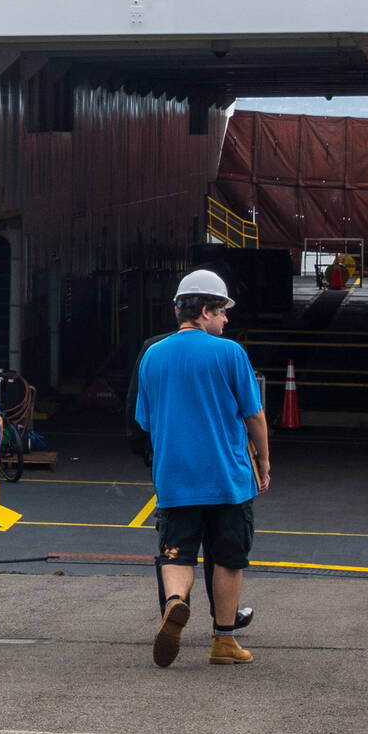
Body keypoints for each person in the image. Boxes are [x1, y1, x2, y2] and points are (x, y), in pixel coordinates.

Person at [135, 269, 271, 669]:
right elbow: (255, 417)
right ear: (206, 310)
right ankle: (224, 641)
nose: (226, 321)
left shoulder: (152, 356)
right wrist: (263, 462)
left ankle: (175, 603)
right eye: (223, 312)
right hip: (227, 478)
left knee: (176, 553)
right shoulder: (230, 354)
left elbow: (145, 420)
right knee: (229, 558)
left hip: (174, 478)